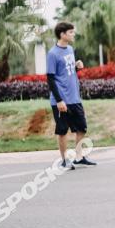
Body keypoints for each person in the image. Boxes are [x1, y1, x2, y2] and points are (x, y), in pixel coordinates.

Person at [46, 22, 97, 169]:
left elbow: (66, 72)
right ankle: (64, 160)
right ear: (62, 34)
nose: (73, 35)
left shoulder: (70, 49)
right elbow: (50, 78)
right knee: (62, 131)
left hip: (74, 98)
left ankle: (79, 157)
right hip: (61, 100)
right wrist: (59, 100)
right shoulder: (53, 54)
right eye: (71, 32)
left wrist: (77, 66)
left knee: (82, 128)